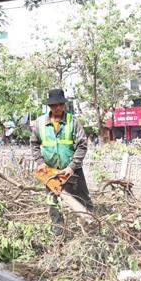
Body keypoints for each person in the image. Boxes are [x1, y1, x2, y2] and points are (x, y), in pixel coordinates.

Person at [30, 88, 93, 233]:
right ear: (49, 106)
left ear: (64, 104)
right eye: (53, 105)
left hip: (72, 169)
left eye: (59, 104)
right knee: (53, 203)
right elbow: (34, 144)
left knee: (84, 199)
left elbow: (82, 146)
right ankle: (58, 232)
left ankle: (92, 227)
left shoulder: (73, 122)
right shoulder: (40, 123)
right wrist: (40, 162)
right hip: (50, 171)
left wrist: (71, 167)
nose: (57, 108)